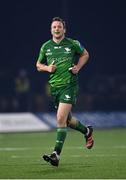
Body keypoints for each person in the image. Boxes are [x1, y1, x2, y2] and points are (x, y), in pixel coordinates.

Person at [36, 17, 94, 167]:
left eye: (59, 27)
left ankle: (56, 154)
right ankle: (87, 131)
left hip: (69, 85)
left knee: (60, 118)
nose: (56, 29)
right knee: (67, 121)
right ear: (51, 30)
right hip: (55, 87)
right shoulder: (45, 46)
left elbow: (85, 54)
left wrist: (78, 68)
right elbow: (38, 65)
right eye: (54, 27)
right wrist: (47, 68)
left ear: (64, 30)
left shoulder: (72, 43)